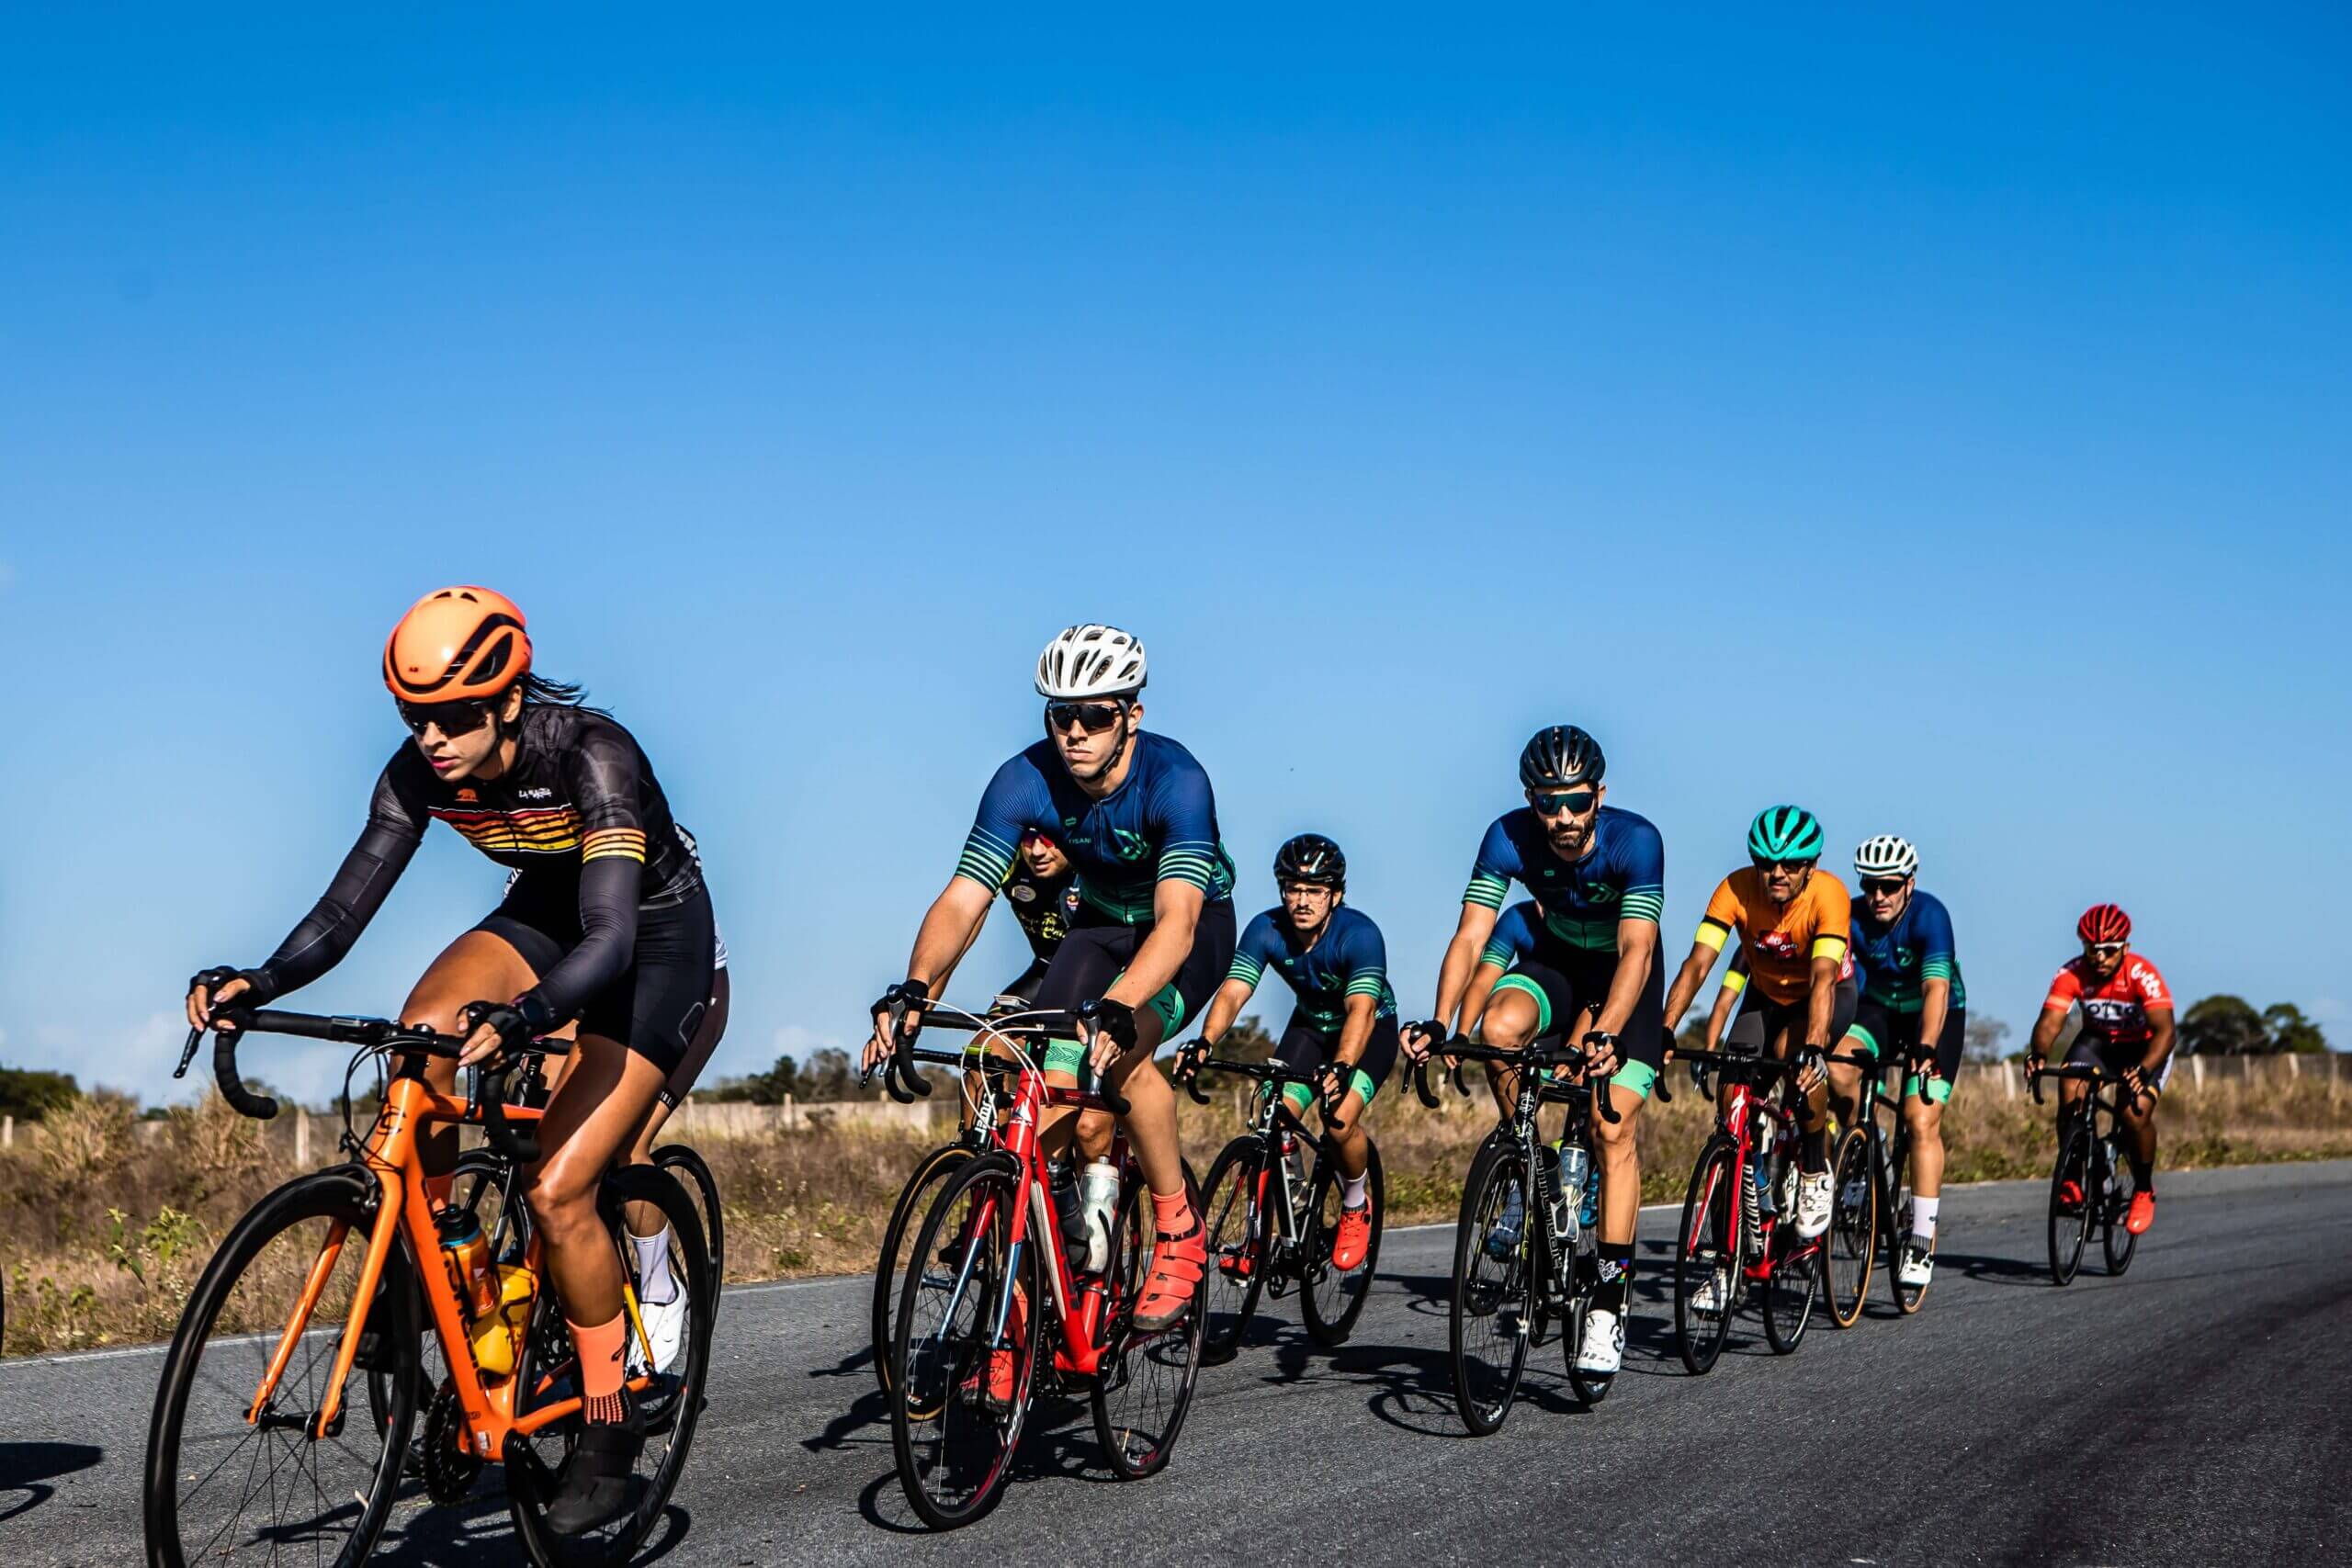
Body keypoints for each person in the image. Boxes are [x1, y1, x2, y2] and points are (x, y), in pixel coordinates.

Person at [183, 586, 719, 1534]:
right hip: (546, 911)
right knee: (415, 1038)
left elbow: (607, 937)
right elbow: (347, 908)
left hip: (650, 938)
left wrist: (530, 1016)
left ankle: (607, 1427)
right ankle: (441, 1268)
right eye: (412, 717)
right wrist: (258, 982)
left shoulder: (594, 753)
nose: (431, 738)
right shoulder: (418, 770)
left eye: (453, 717)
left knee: (559, 1190)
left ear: (508, 701)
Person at [864, 624, 1236, 1404]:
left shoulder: (1177, 779)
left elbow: (1175, 925)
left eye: (1094, 715)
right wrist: (915, 989)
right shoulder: (1020, 781)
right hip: (1098, 925)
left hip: (1185, 929)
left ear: (1131, 713)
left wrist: (1122, 1007)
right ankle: (1032, 1265)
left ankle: (1177, 1225)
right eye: (1058, 716)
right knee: (1043, 1075)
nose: (1073, 732)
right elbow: (964, 897)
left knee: (1121, 1052)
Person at [1401, 725, 1666, 1381]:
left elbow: (1636, 949)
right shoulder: (1506, 835)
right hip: (1558, 963)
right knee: (1497, 1029)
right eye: (1549, 802)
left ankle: (1607, 1301)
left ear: (1599, 794)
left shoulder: (1637, 840)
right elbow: (1470, 936)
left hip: (1624, 979)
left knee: (1611, 1126)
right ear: (1530, 797)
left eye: (1576, 801)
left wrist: (1609, 1030)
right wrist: (1439, 1019)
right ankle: (1530, 1158)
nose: (1565, 818)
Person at [1182, 834, 1398, 1271]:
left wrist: (1342, 1065)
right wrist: (1206, 1040)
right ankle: (1277, 1222)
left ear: (1335, 894)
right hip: (1310, 1027)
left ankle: (1356, 1203)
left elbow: (1360, 1009)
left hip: (1368, 1030)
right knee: (1270, 1109)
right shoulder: (1266, 929)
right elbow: (1234, 991)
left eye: (1315, 891)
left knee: (1337, 1123)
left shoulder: (1359, 935)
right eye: (1293, 889)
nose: (1302, 901)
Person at [1662, 806, 1853, 1243]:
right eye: (1766, 864)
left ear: (1812, 866)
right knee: (1731, 1099)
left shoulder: (1829, 895)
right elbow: (1698, 964)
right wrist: (1666, 1026)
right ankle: (1741, 1213)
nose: (1777, 874)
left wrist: (1816, 1046)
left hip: (1823, 995)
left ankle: (1812, 1170)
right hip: (1765, 996)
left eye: (1791, 865)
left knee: (1796, 1056)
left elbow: (1823, 978)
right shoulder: (1734, 889)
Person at [1831, 835, 1965, 1291]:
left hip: (1933, 1014)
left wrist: (1926, 1047)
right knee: (1838, 1068)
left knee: (1920, 1118)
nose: (1878, 897)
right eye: (1870, 886)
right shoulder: (1851, 915)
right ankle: (1864, 1149)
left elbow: (1936, 990)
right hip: (1879, 1009)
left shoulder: (1931, 915)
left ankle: (1921, 1238)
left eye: (1889, 886)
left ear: (1909, 883)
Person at [2025, 904, 2175, 1236]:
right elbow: (2050, 1022)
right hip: (2099, 1042)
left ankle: (2144, 1189)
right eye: (2093, 950)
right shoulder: (2072, 974)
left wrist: (2144, 1068)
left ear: (2125, 948)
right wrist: (2037, 1054)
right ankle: (2073, 1177)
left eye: (2109, 951)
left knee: (2132, 1114)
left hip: (2145, 1047)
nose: (2101, 958)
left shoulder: (2142, 975)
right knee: (2069, 1093)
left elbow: (2166, 1031)